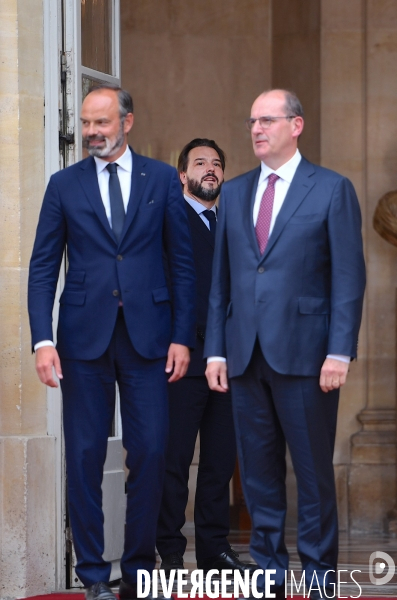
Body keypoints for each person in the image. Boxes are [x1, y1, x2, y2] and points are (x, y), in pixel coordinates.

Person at [28, 84, 196, 600]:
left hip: (151, 340)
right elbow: (42, 268)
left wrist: (183, 337)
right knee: (82, 455)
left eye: (101, 122)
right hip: (82, 340)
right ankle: (95, 576)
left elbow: (183, 266)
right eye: (86, 123)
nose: (92, 132)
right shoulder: (63, 184)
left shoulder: (164, 179)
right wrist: (42, 340)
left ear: (127, 122)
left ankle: (140, 572)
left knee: (150, 451)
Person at [204, 89, 366, 599]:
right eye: (252, 120)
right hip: (245, 355)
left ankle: (319, 580)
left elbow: (348, 278)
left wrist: (340, 351)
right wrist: (215, 350)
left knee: (314, 475)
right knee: (257, 474)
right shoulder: (233, 192)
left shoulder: (332, 189)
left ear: (296, 126)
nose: (256, 128)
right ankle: (270, 576)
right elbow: (220, 282)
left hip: (308, 357)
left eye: (267, 120)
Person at [156, 139, 253, 578]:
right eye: (200, 163)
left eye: (217, 163)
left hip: (231, 363)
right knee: (174, 461)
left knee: (219, 463)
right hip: (183, 358)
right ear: (183, 175)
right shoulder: (166, 221)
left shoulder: (237, 223)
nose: (210, 170)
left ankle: (215, 551)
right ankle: (171, 552)